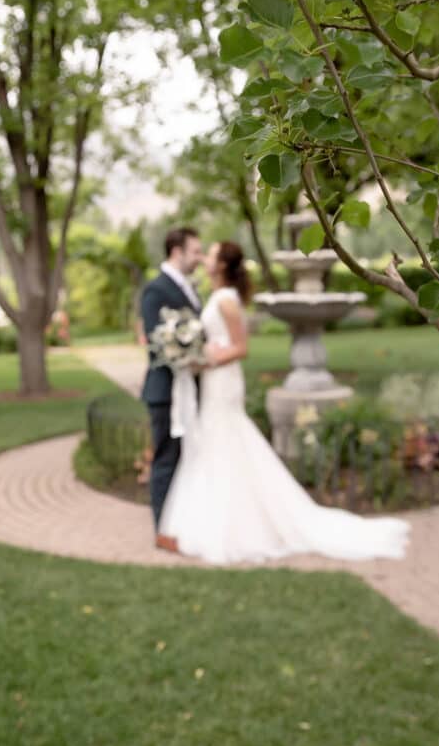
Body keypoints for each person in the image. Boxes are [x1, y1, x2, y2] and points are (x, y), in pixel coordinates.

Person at [159, 241, 410, 564]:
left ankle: (236, 526)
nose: (205, 257)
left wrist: (203, 360)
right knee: (216, 441)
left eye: (211, 253)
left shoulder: (225, 300)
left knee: (225, 439)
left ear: (221, 265)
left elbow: (240, 348)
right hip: (214, 381)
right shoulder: (220, 296)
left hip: (222, 381)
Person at [140, 226, 203, 550]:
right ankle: (162, 531)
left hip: (190, 390)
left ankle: (181, 523)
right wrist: (187, 355)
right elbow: (156, 342)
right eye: (195, 251)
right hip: (166, 392)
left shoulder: (189, 287)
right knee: (166, 458)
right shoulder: (156, 290)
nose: (200, 258)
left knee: (187, 458)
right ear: (176, 252)